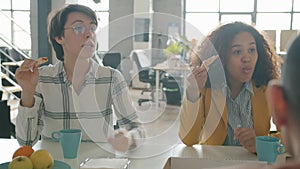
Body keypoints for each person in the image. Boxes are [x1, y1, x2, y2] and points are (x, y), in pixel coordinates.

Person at [15, 4, 145, 152]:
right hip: (55, 163)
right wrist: (27, 92)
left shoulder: (111, 78)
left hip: (98, 164)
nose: (89, 34)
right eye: (79, 28)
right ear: (59, 37)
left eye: (93, 28)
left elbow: (138, 129)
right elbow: (26, 142)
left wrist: (129, 138)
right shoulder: (42, 79)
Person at [179, 21, 281, 153]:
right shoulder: (206, 87)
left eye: (251, 50)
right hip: (214, 163)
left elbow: (292, 135)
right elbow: (188, 139)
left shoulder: (267, 87)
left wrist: (261, 144)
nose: (247, 58)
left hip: (255, 163)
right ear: (221, 57)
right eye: (237, 52)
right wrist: (193, 92)